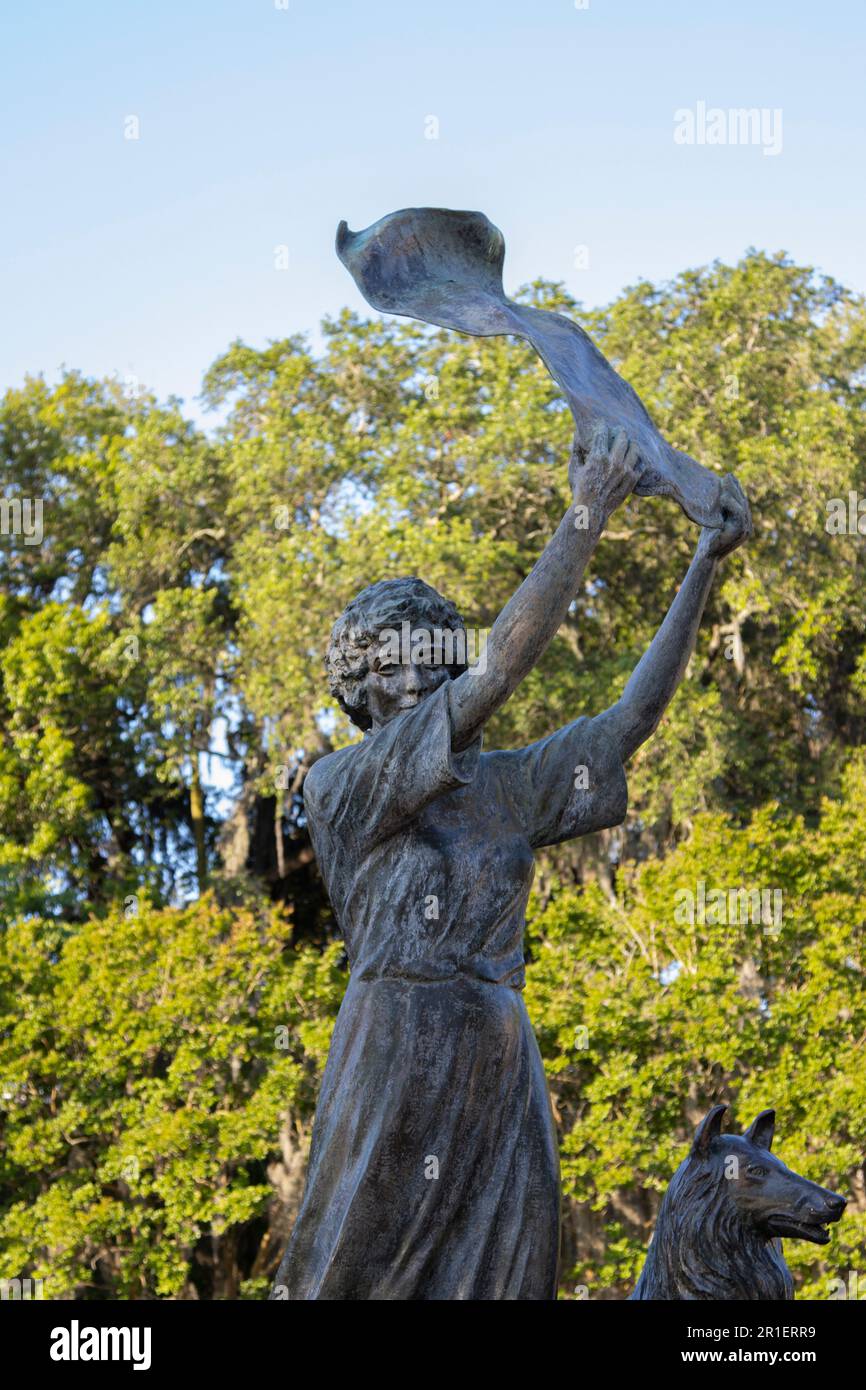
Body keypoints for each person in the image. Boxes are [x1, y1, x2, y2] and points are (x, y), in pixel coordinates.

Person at [270, 423, 752, 1300]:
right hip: (397, 1046)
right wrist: (586, 512)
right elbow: (499, 669)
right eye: (390, 662)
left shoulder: (501, 787)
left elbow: (627, 722)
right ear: (357, 685)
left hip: (499, 1053)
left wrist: (704, 563)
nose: (415, 675)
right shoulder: (345, 784)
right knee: (355, 1273)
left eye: (430, 656)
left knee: (510, 1275)